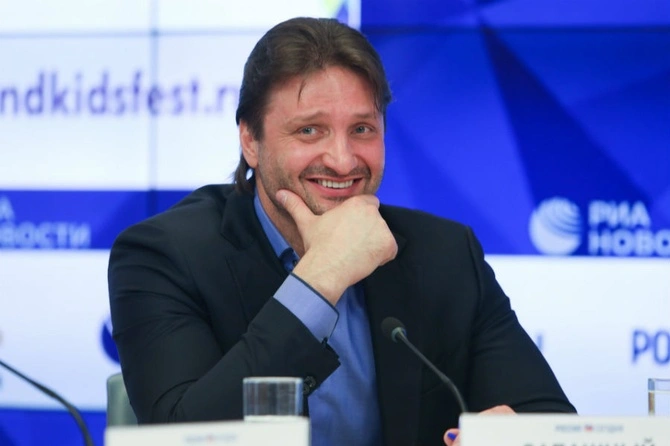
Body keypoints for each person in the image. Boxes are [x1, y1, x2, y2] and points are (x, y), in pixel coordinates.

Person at [108, 16, 575, 446]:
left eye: (362, 129)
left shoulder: (446, 254)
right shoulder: (163, 256)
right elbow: (183, 436)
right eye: (309, 131)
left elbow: (548, 421)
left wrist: (515, 435)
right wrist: (322, 276)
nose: (343, 160)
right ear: (250, 140)